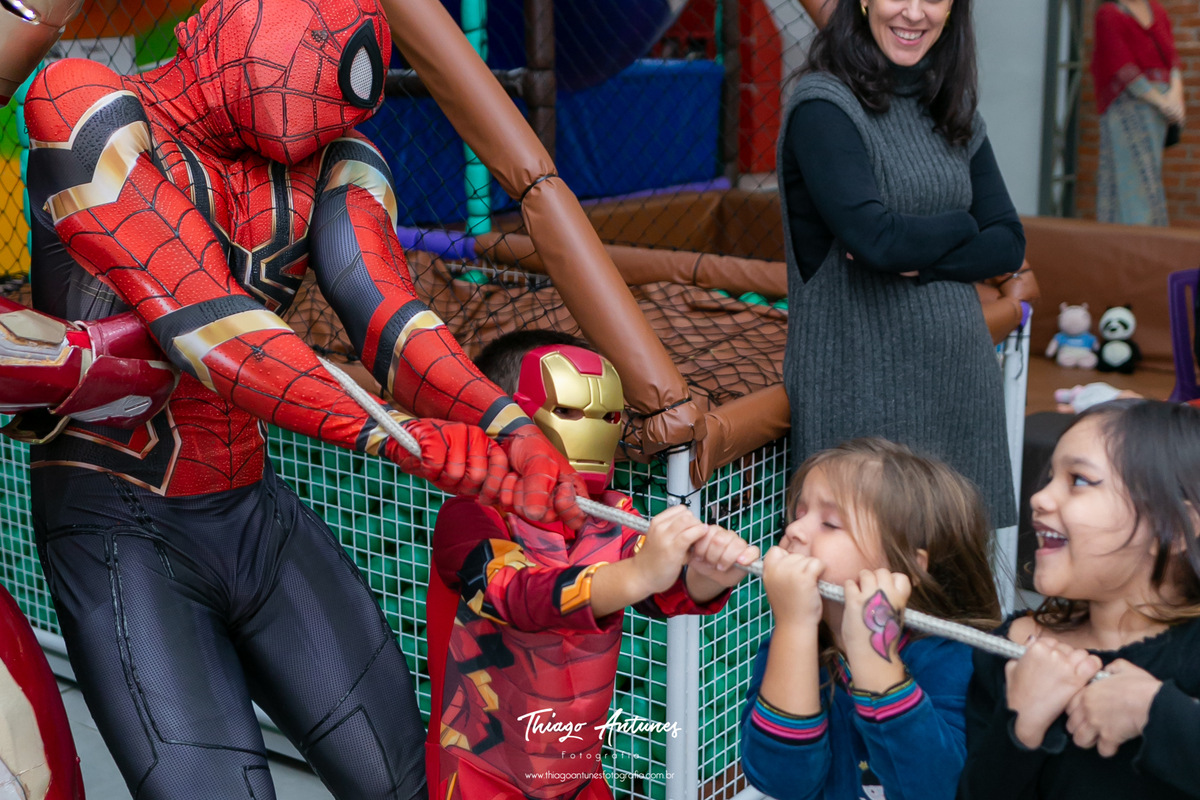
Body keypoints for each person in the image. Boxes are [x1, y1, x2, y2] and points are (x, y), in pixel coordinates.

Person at [19, 0, 589, 797]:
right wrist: (400, 436)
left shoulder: (329, 154)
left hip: (251, 506)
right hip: (121, 520)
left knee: (402, 781)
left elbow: (389, 311)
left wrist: (503, 422)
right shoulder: (86, 103)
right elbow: (208, 324)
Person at [426, 330, 759, 799]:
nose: (594, 427)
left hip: (579, 774)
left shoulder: (610, 513)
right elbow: (515, 596)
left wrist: (710, 572)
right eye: (567, 410)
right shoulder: (473, 514)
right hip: (481, 769)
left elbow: (665, 592)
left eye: (609, 415)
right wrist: (638, 574)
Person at [780, 0, 1025, 530]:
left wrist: (926, 256)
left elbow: (1008, 242)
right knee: (860, 591)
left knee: (951, 595)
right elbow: (878, 242)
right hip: (863, 393)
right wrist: (962, 224)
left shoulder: (951, 107)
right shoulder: (823, 105)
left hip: (959, 383)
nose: (914, 12)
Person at [958, 400, 1200, 800]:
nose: (1039, 497)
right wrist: (1020, 729)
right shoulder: (1011, 648)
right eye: (1050, 476)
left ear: (1173, 527)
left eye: (1080, 480)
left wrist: (1155, 714)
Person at [740, 437, 1001, 800]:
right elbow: (781, 781)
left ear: (906, 566)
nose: (795, 531)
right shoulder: (794, 641)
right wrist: (793, 628)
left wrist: (873, 657)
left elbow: (936, 790)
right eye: (799, 514)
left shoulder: (954, 659)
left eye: (829, 523)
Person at [1092, 0, 1183, 227]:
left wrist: (1176, 97)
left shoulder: (1157, 10)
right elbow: (1121, 65)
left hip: (1159, 111)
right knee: (1132, 182)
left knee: (1149, 180)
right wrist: (1161, 101)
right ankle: (1129, 247)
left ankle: (1145, 245)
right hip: (1127, 108)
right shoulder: (1108, 14)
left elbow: (1172, 58)